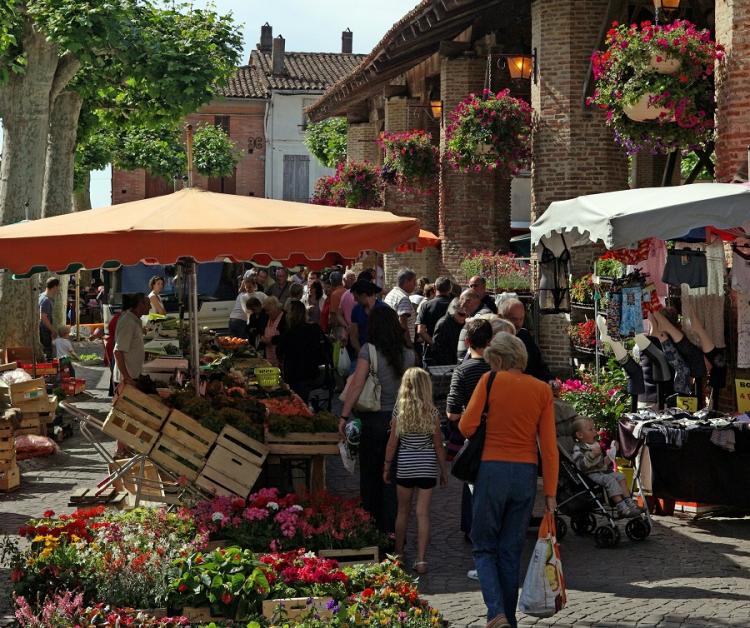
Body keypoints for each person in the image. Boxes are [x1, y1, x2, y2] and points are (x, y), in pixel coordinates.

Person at [459, 332, 558, 628]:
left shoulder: (490, 381)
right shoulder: (542, 390)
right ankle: (509, 620)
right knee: (511, 549)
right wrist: (550, 494)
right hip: (525, 473)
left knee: (483, 544)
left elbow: (466, 427)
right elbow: (550, 450)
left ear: (498, 359)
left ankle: (496, 613)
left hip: (492, 469)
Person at [339, 306, 415, 533]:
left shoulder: (368, 350)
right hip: (400, 420)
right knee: (392, 475)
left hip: (374, 420)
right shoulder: (410, 354)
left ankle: (371, 524)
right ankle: (391, 527)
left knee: (371, 474)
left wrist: (344, 415)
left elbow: (357, 384)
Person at [383, 367, 447, 574]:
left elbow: (392, 443)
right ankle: (421, 559)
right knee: (422, 513)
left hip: (405, 466)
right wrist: (443, 470)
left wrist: (386, 466)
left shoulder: (399, 411)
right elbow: (438, 445)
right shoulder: (432, 412)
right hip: (427, 466)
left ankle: (399, 553)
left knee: (403, 511)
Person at [445, 319, 494, 543]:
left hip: (473, 436)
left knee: (471, 480)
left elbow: (452, 413)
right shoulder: (498, 371)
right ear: (491, 341)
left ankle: (471, 526)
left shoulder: (462, 371)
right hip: (498, 435)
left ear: (467, 342)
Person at [572, 416, 642, 518]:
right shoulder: (578, 448)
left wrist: (612, 453)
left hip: (600, 471)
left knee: (620, 476)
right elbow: (581, 466)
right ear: (580, 435)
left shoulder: (595, 445)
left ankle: (629, 502)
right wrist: (591, 455)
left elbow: (601, 464)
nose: (594, 431)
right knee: (610, 480)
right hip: (589, 475)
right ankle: (621, 507)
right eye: (590, 429)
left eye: (594, 428)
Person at [277, 300, 331, 402]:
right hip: (313, 372)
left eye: (287, 312)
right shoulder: (315, 328)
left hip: (295, 374)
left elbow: (279, 352)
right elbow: (326, 347)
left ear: (291, 315)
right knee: (303, 400)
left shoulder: (289, 333)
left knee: (298, 402)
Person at [498, 298, 552, 382]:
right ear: (501, 317)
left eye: (521, 319)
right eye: (514, 319)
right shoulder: (493, 341)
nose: (518, 324)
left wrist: (550, 380)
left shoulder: (525, 336)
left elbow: (539, 365)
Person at [113, 293, 150, 394]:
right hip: (128, 379)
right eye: (148, 304)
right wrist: (127, 377)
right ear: (140, 304)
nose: (150, 307)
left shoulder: (134, 320)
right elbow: (118, 352)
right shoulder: (128, 322)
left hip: (132, 375)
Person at [418, 277, 453, 366]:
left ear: (434, 288)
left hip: (432, 352)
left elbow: (420, 330)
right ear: (450, 289)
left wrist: (433, 344)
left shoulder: (426, 305)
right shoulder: (455, 305)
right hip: (452, 350)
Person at [348, 280, 386, 355]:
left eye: (356, 297)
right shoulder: (356, 310)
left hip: (382, 353)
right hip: (363, 353)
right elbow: (353, 336)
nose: (355, 300)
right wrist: (361, 353)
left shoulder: (384, 309)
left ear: (364, 295)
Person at [456, 289, 494, 361]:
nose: (460, 304)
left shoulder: (483, 316)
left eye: (461, 300)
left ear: (468, 301)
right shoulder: (474, 316)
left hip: (474, 364)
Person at [384, 268, 417, 348]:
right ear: (406, 282)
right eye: (414, 281)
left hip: (391, 340)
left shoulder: (391, 294)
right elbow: (403, 324)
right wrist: (409, 345)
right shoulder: (403, 298)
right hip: (401, 344)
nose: (415, 284)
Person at [431, 298, 467, 366]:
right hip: (447, 365)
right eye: (461, 314)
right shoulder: (443, 324)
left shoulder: (463, 322)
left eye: (466, 314)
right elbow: (438, 348)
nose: (464, 317)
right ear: (452, 311)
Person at [259, 296, 286, 366]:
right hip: (268, 357)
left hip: (281, 359)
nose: (266, 313)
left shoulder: (285, 318)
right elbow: (262, 331)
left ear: (276, 308)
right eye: (266, 310)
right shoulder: (266, 318)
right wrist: (262, 338)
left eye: (268, 310)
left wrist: (272, 340)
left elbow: (286, 337)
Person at [39, 277, 60, 359]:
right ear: (54, 287)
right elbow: (43, 317)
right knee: (48, 352)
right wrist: (52, 330)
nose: (58, 289)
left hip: (44, 328)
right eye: (58, 287)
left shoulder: (41, 296)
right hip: (44, 330)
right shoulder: (46, 300)